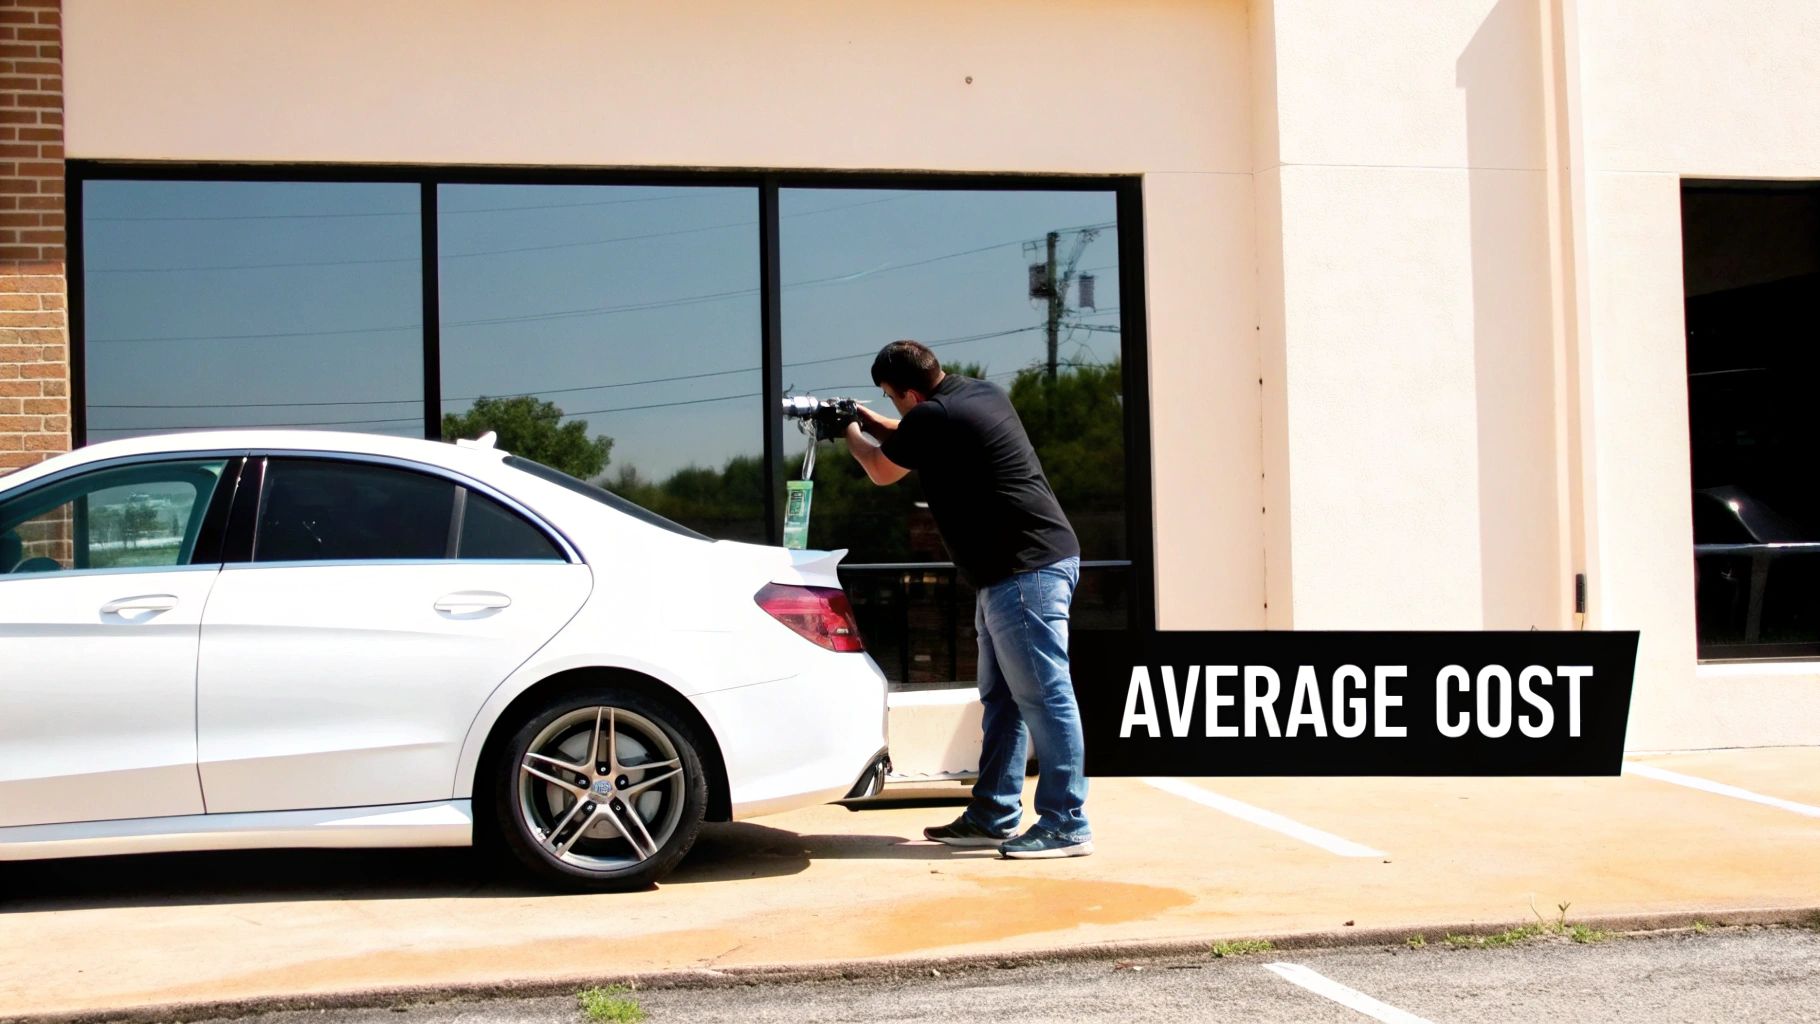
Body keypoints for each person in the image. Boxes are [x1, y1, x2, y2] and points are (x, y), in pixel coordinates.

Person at [846, 340, 1092, 859]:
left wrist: (843, 431)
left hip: (1025, 572)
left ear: (910, 392)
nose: (892, 408)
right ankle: (993, 814)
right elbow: (908, 433)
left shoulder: (932, 418)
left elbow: (882, 468)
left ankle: (1067, 823)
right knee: (1003, 700)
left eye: (891, 398)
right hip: (1015, 571)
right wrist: (868, 418)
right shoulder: (977, 395)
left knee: (1045, 698)